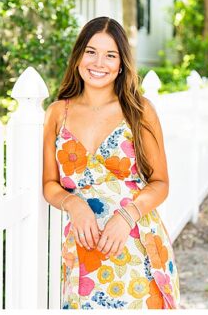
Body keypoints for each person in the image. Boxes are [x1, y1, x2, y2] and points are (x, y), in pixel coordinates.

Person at [41, 17, 180, 309]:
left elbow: (161, 183)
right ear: (78, 55)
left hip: (137, 243)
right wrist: (74, 204)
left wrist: (126, 216)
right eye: (91, 51)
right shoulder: (57, 113)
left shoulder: (139, 110)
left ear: (121, 64)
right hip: (85, 252)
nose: (98, 62)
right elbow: (50, 185)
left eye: (110, 54)